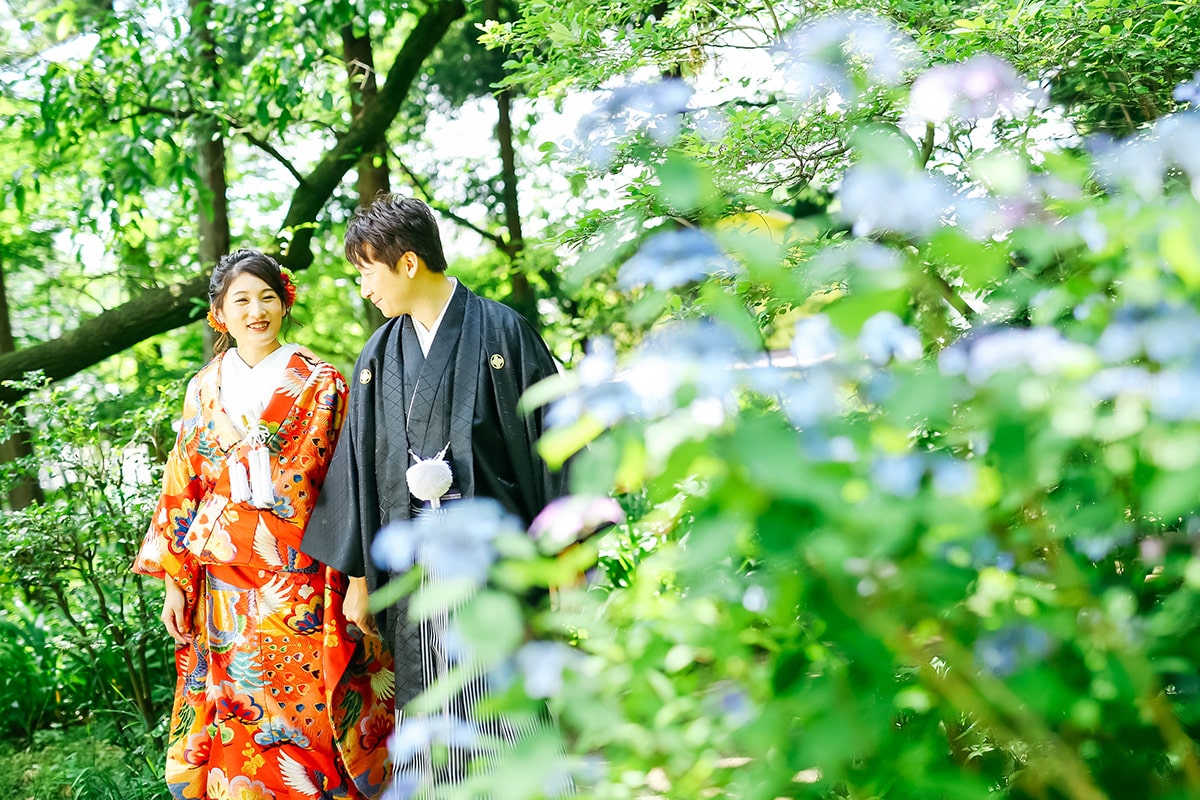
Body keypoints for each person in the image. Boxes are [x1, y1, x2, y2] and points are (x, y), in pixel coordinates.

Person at [300, 194, 569, 788]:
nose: (363, 287)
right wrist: (359, 578)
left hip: (494, 563)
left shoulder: (503, 332)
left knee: (508, 701)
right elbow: (361, 471)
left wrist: (565, 556)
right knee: (429, 708)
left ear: (408, 263)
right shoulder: (377, 357)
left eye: (366, 270)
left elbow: (554, 439)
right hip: (414, 570)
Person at [133, 249, 394, 800]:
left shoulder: (322, 384)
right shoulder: (203, 388)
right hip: (221, 587)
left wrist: (356, 577)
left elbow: (349, 482)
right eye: (241, 300)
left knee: (307, 716)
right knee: (235, 715)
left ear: (285, 303)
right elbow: (184, 483)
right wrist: (175, 584)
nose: (257, 311)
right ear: (218, 314)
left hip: (300, 578)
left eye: (267, 297)